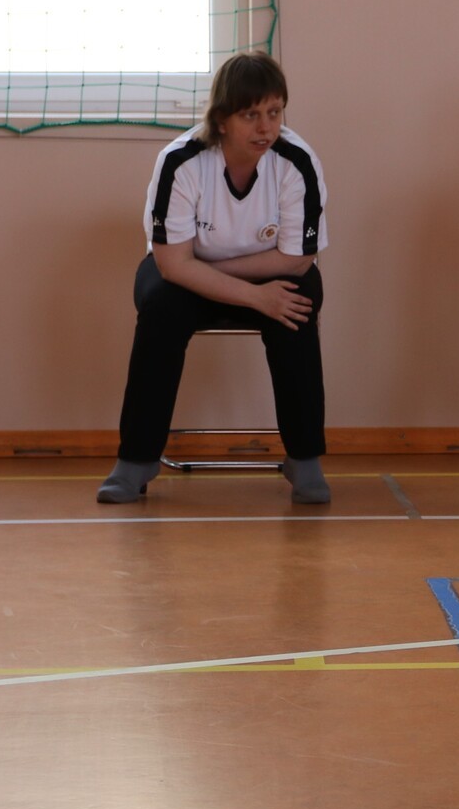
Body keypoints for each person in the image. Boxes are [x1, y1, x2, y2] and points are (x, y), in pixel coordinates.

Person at [98, 52, 331, 506]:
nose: (265, 127)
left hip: (256, 271)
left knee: (297, 304)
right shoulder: (180, 161)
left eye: (274, 112)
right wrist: (251, 296)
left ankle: (304, 458)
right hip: (183, 280)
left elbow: (297, 259)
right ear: (221, 119)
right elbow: (171, 266)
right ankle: (137, 459)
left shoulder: (297, 161)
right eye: (250, 115)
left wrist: (208, 270)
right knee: (160, 309)